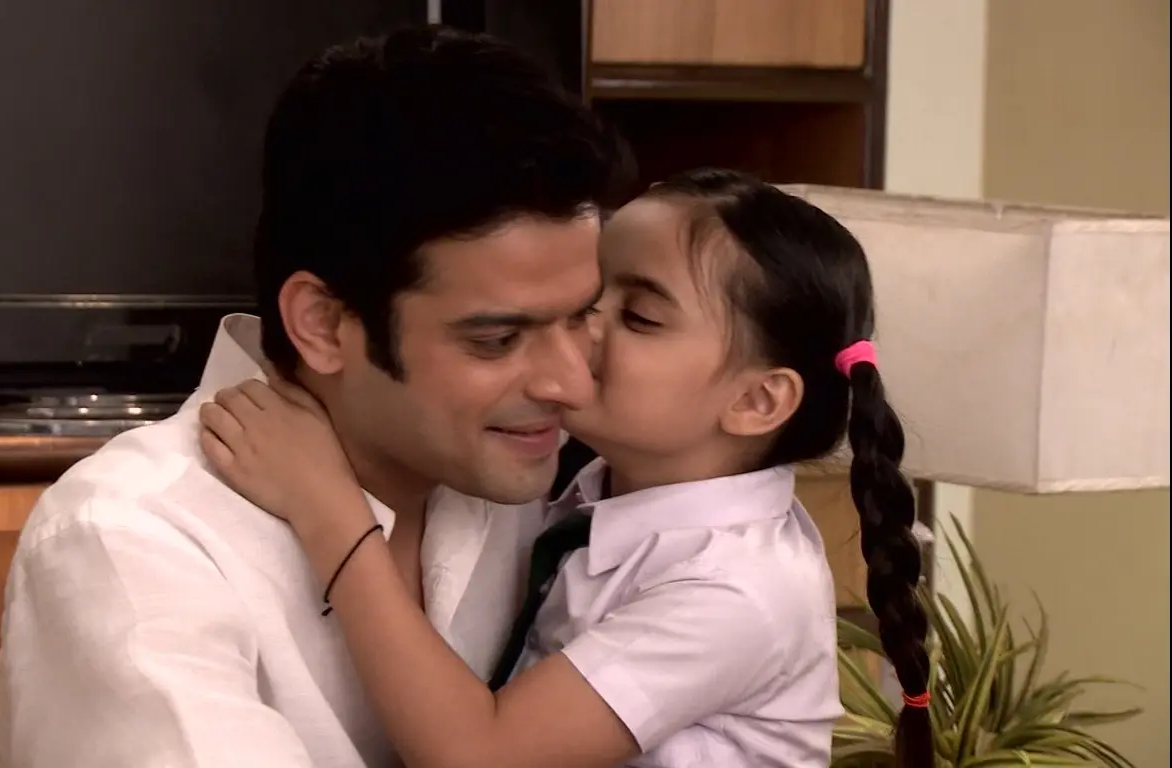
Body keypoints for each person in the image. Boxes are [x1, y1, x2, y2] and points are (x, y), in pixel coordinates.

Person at [0, 25, 626, 768]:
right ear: (322, 324)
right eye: (497, 339)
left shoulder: (549, 486)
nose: (571, 384)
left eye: (583, 315)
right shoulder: (132, 538)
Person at [200, 169, 935, 768]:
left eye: (639, 317)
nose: (576, 331)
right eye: (588, 297)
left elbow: (478, 755)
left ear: (755, 400)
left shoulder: (737, 590)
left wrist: (331, 512)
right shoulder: (586, 487)